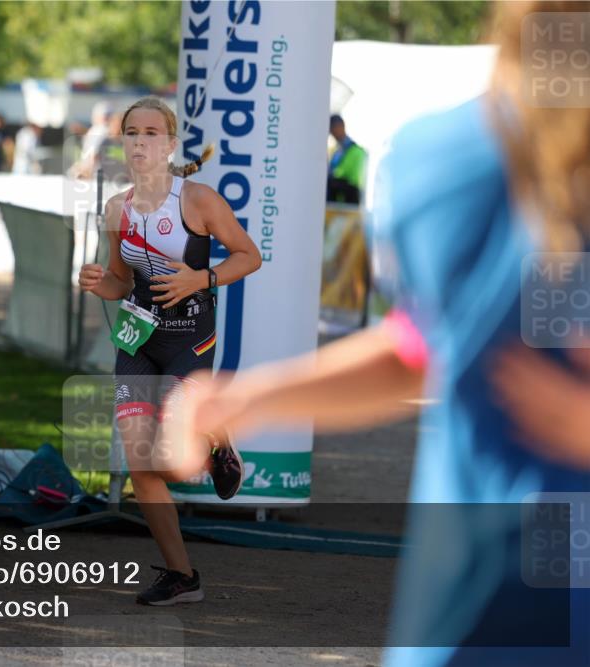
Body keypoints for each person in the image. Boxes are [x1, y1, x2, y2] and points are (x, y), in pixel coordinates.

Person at [165, 1, 589, 663]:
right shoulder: (448, 163)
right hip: (478, 610)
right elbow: (425, 346)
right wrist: (255, 397)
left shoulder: (441, 159)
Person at [78, 96, 262, 606]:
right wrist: (98, 282)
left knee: (169, 458)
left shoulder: (197, 200)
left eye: (151, 133)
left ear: (170, 143)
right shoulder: (117, 208)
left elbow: (250, 256)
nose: (139, 141)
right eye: (131, 132)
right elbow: (120, 281)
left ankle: (215, 439)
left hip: (189, 341)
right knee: (141, 465)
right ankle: (183, 576)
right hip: (139, 342)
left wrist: (201, 278)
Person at [326, 114, 367, 204]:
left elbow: (354, 180)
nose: (333, 133)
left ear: (342, 126)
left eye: (334, 128)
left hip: (350, 198)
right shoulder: (336, 150)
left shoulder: (356, 151)